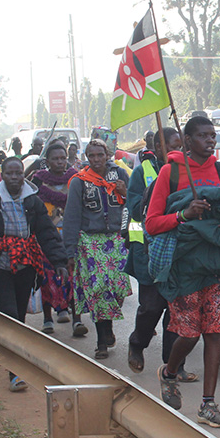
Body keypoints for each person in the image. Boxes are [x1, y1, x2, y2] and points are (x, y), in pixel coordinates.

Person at [146, 116, 220, 428]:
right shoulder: (171, 171)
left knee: (215, 331)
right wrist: (184, 214)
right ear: (187, 140)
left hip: (216, 264)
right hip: (184, 267)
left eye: (213, 135)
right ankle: (169, 372)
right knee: (189, 333)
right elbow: (151, 223)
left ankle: (208, 404)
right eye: (203, 135)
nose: (210, 140)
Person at [0, 157, 68, 392]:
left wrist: (59, 261)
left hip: (26, 265)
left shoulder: (32, 200)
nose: (14, 178)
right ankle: (16, 372)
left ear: (24, 175)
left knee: (19, 317)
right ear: (2, 174)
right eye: (10, 173)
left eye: (18, 173)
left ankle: (0, 354)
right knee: (10, 315)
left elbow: (46, 232)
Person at [125, 128, 196, 378]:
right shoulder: (142, 172)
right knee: (151, 307)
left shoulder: (187, 170)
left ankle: (174, 365)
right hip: (149, 252)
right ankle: (137, 344)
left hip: (180, 253)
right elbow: (135, 209)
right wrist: (159, 192)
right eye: (171, 145)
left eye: (180, 145)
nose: (178, 150)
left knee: (176, 311)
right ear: (157, 148)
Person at [62, 140, 132, 359]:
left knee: (120, 288)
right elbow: (71, 217)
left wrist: (126, 191)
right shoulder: (79, 182)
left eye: (100, 155)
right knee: (99, 290)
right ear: (87, 157)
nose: (96, 159)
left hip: (117, 239)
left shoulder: (120, 174)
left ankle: (108, 324)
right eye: (91, 156)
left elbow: (136, 205)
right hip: (91, 242)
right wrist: (70, 251)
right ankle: (102, 341)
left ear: (107, 154)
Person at [28, 142, 83, 334]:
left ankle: (77, 319)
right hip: (46, 237)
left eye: (63, 158)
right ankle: (47, 318)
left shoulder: (76, 179)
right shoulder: (38, 181)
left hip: (71, 235)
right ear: (47, 161)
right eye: (55, 159)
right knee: (46, 276)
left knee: (73, 276)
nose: (60, 162)